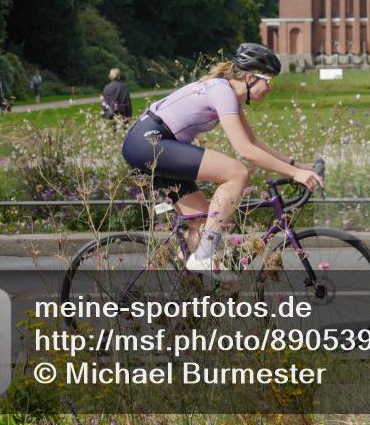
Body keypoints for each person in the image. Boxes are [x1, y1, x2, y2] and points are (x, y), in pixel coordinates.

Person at [121, 43, 322, 277]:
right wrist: (294, 175)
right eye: (269, 81)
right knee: (237, 172)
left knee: (205, 222)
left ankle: (189, 283)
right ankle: (204, 258)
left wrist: (296, 166)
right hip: (148, 142)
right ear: (249, 78)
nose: (270, 88)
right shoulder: (222, 92)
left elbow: (253, 141)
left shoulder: (228, 94)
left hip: (149, 143)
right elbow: (245, 150)